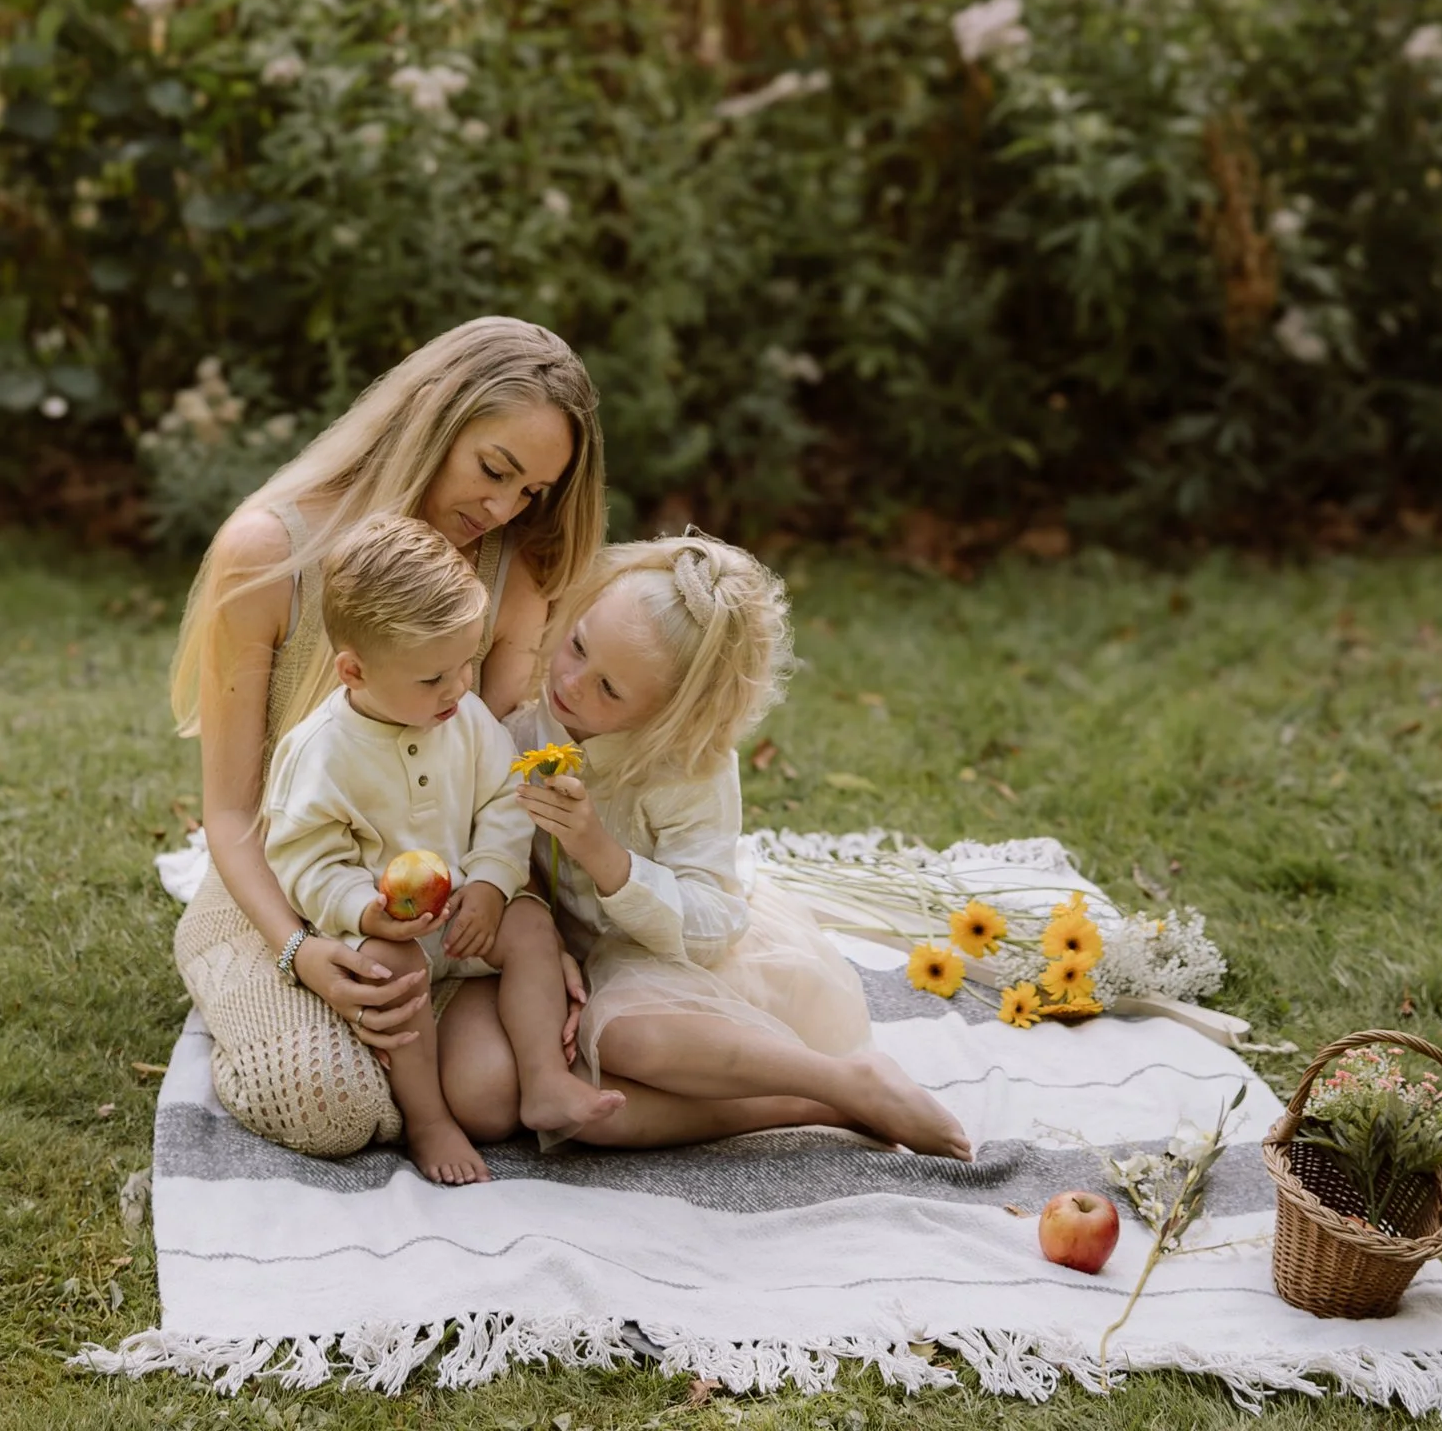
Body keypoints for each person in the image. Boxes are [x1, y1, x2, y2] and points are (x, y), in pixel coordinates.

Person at [171, 316, 606, 1155]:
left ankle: (426, 1059)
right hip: (284, 878)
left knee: (493, 1097)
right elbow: (230, 819)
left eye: (531, 493)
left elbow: (497, 775)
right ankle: (301, 1019)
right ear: (435, 416)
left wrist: (526, 918)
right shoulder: (270, 551)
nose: (503, 507)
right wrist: (300, 953)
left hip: (440, 898)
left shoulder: (509, 565)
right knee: (327, 1108)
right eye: (494, 470)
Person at [509, 535, 973, 1160]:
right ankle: (826, 1105)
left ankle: (842, 1075)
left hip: (673, 955)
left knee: (624, 1040)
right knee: (587, 1115)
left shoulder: (686, 766)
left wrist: (602, 854)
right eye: (578, 644)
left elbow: (712, 925)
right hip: (553, 955)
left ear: (671, 712)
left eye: (610, 690)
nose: (571, 682)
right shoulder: (521, 714)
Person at [262, 514, 623, 1183]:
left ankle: (545, 1076)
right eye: (433, 678)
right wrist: (362, 910)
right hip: (391, 929)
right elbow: (305, 860)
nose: (457, 687)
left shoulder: (468, 720)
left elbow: (502, 804)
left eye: (465, 663)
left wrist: (489, 882)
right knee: (387, 966)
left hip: (465, 922)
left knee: (530, 922)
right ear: (354, 669)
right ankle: (428, 1119)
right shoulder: (320, 754)